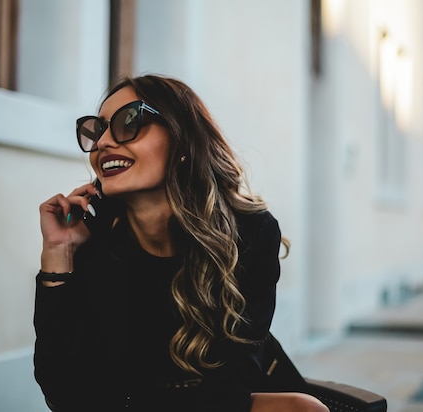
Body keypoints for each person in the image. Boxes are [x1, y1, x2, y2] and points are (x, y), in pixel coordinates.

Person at [34, 74, 329, 412]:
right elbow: (63, 392)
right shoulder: (94, 245)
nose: (102, 143)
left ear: (181, 138)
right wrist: (58, 253)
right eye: (96, 130)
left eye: (129, 122)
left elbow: (232, 383)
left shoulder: (248, 233)